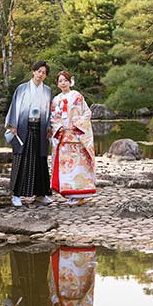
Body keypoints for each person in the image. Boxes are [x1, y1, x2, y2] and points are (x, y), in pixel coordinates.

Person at [5, 60, 53, 207]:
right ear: (33, 71)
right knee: (21, 159)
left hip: (40, 127)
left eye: (44, 73)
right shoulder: (22, 88)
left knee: (40, 160)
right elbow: (14, 106)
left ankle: (40, 194)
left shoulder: (47, 91)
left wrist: (50, 127)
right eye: (39, 71)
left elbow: (50, 112)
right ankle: (17, 194)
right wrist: (12, 124)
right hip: (23, 127)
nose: (41, 74)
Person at [49, 70, 96, 205]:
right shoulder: (56, 100)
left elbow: (86, 113)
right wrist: (59, 127)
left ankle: (80, 194)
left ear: (70, 82)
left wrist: (77, 125)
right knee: (66, 168)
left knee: (78, 167)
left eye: (65, 80)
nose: (63, 83)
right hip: (63, 136)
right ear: (57, 84)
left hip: (76, 136)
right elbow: (53, 118)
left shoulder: (77, 96)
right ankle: (70, 194)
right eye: (60, 81)